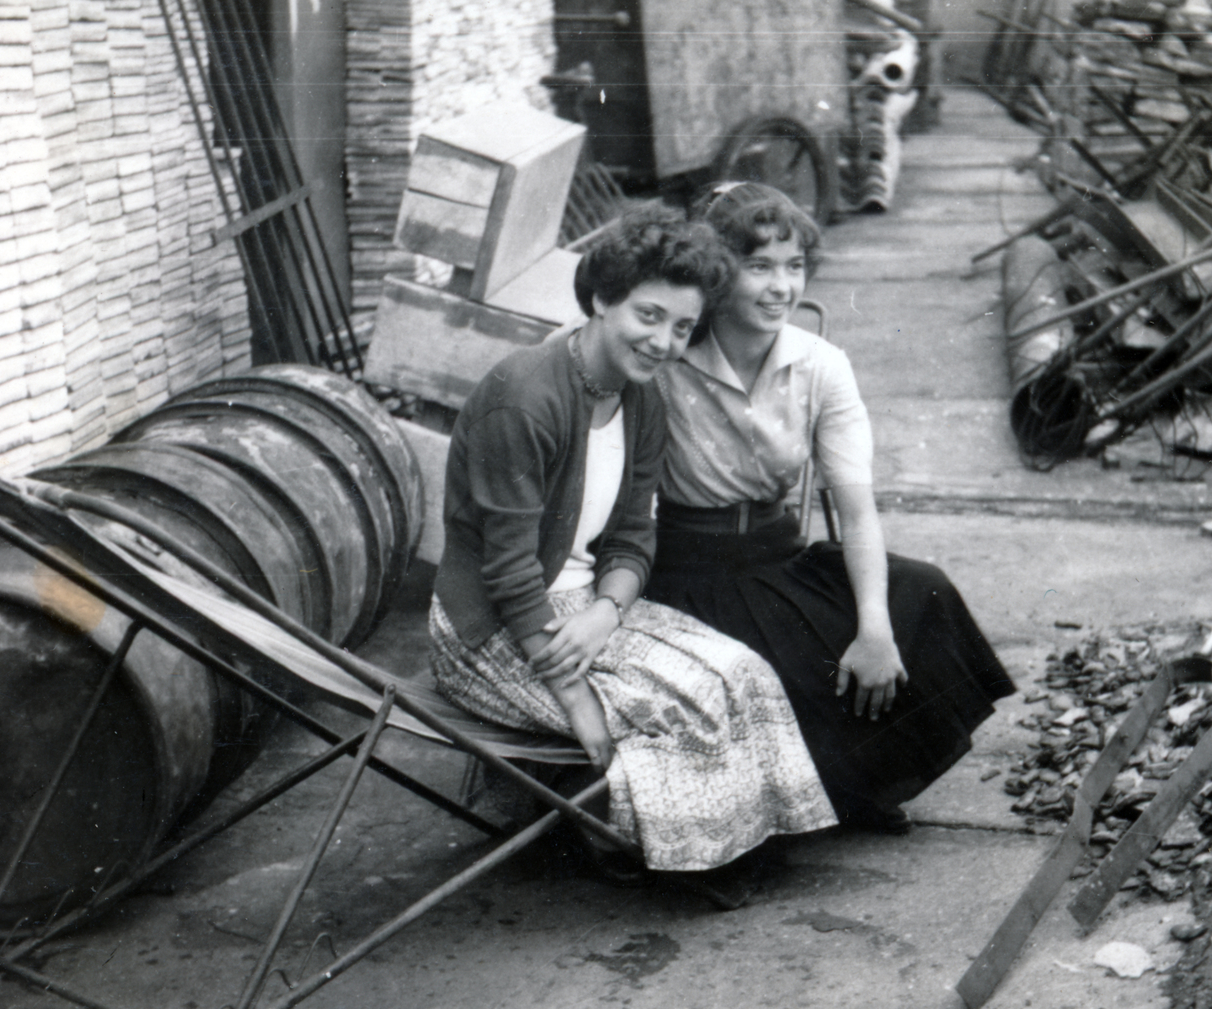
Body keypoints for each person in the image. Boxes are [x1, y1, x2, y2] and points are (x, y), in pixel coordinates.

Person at [428, 205, 836, 876]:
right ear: (600, 299)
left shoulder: (641, 397)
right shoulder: (526, 396)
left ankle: (730, 846)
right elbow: (507, 571)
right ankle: (664, 856)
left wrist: (605, 611)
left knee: (745, 672)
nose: (663, 342)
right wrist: (576, 697)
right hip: (491, 629)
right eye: (649, 316)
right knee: (682, 701)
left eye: (681, 328)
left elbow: (634, 534)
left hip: (584, 607)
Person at [645, 182, 1016, 833]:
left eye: (794, 267)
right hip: (690, 566)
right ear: (716, 270)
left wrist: (876, 626)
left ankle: (854, 782)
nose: (779, 286)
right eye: (758, 266)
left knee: (919, 596)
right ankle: (825, 792)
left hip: (778, 553)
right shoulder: (672, 358)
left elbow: (857, 509)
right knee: (780, 660)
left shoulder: (820, 364)